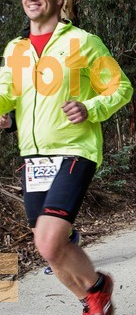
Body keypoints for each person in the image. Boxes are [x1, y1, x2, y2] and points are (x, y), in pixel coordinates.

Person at [0, 0, 133, 315]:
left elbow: (120, 87)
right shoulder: (15, 50)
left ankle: (98, 289)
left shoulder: (83, 42)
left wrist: (91, 107)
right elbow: (6, 94)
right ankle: (91, 303)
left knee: (49, 242)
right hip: (34, 157)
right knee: (51, 246)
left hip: (75, 148)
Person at [0, 111, 81, 275]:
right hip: (32, 157)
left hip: (62, 152)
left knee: (54, 211)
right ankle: (67, 242)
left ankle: (62, 254)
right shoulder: (15, 89)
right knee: (36, 222)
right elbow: (14, 119)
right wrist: (7, 121)